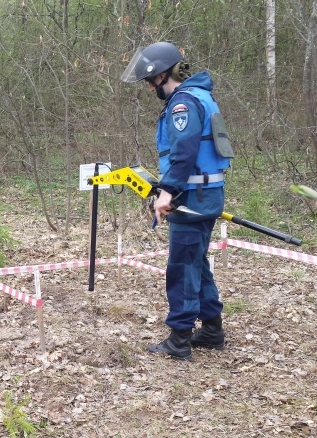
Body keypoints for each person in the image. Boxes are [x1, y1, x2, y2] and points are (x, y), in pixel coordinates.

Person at [120, 42, 230, 361]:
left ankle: (180, 338)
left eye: (150, 79)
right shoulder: (200, 96)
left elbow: (185, 152)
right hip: (204, 193)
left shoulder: (182, 103)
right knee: (197, 263)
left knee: (182, 266)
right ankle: (211, 329)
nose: (148, 85)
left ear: (163, 74)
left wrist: (167, 192)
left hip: (190, 197)